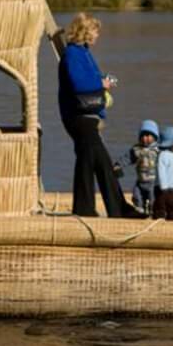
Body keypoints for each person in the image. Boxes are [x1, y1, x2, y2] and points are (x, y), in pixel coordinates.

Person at [54, 13, 136, 218]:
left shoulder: (84, 52)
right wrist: (101, 84)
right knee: (97, 161)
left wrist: (105, 80)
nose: (97, 36)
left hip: (86, 117)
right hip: (78, 117)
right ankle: (112, 209)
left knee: (92, 161)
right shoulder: (72, 54)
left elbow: (92, 76)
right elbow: (79, 84)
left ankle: (87, 209)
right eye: (95, 32)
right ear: (86, 32)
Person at [128, 120, 161, 215]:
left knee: (152, 198)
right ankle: (139, 209)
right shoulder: (137, 149)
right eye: (142, 135)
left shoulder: (157, 150)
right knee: (136, 195)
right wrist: (118, 165)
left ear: (154, 137)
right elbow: (127, 158)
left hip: (152, 181)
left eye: (148, 135)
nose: (144, 138)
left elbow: (163, 162)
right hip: (140, 180)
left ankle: (151, 211)